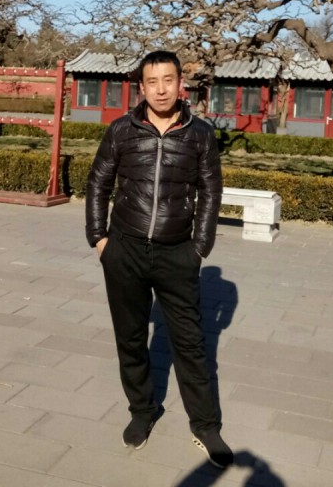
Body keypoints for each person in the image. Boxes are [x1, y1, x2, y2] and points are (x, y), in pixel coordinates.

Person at [85, 50, 233, 469]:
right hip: (125, 249)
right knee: (131, 338)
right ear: (142, 87)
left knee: (191, 343)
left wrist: (199, 248)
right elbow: (98, 183)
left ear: (180, 83)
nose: (161, 89)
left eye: (169, 80)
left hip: (176, 253)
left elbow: (210, 191)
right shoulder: (121, 130)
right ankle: (142, 411)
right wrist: (99, 239)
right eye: (153, 81)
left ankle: (206, 425)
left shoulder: (199, 134)